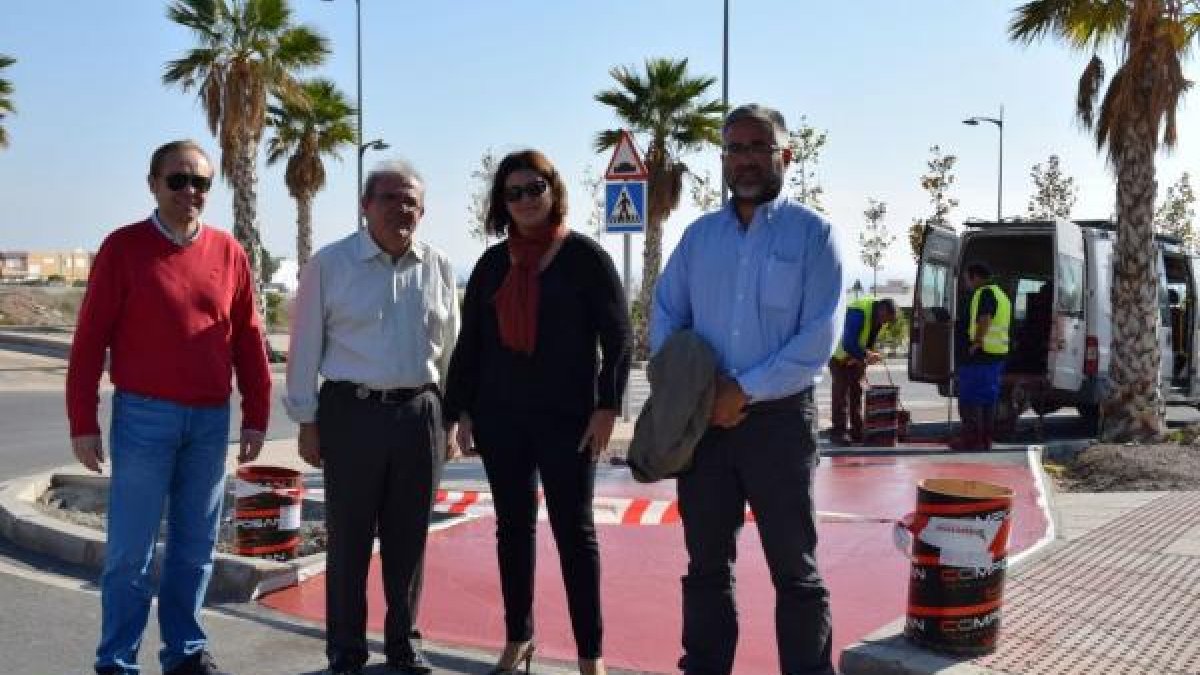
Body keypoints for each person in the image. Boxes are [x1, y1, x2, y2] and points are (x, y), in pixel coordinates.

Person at [66, 139, 272, 675]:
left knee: (195, 549)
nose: (190, 192)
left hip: (208, 423)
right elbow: (90, 340)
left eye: (200, 182)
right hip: (144, 418)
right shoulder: (123, 248)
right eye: (177, 180)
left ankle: (184, 654)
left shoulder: (230, 252)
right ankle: (116, 662)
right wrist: (83, 422)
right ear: (153, 184)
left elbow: (247, 338)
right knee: (130, 553)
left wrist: (256, 414)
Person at [651, 104, 842, 675]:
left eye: (759, 147)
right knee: (706, 566)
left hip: (779, 425)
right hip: (704, 427)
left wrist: (746, 391)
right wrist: (706, 393)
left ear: (786, 155)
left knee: (795, 570)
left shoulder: (814, 235)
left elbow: (818, 338)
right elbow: (665, 318)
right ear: (723, 161)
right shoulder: (698, 239)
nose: (746, 159)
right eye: (734, 148)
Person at [445, 149, 632, 675]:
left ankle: (589, 656)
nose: (525, 200)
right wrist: (459, 410)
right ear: (501, 203)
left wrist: (607, 407)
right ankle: (518, 638)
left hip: (569, 420)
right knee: (513, 530)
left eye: (534, 188)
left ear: (553, 191)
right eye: (514, 193)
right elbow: (471, 344)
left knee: (575, 534)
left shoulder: (585, 259)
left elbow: (618, 337)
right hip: (501, 417)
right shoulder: (490, 266)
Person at [285, 159, 461, 675]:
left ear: (423, 211)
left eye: (411, 201)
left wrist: (451, 419)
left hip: (420, 416)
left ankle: (404, 646)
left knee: (409, 538)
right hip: (351, 415)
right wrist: (306, 420)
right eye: (389, 198)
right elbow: (304, 349)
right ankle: (346, 648)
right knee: (350, 538)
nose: (401, 209)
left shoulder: (439, 266)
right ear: (366, 207)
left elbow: (452, 351)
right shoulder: (330, 265)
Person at [949, 261, 1011, 451]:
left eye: (968, 278)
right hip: (996, 356)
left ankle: (972, 440)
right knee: (988, 399)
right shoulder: (1002, 295)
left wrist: (976, 342)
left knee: (970, 398)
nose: (967, 282)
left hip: (981, 356)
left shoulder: (985, 293)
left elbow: (985, 318)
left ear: (976, 277)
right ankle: (985, 439)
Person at [828, 297, 898, 446]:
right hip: (838, 356)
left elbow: (869, 339)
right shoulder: (858, 311)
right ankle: (838, 433)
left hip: (855, 357)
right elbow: (848, 343)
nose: (884, 323)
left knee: (857, 391)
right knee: (841, 393)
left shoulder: (879, 318)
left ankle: (857, 431)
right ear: (882, 310)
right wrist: (866, 355)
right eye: (885, 319)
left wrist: (866, 357)